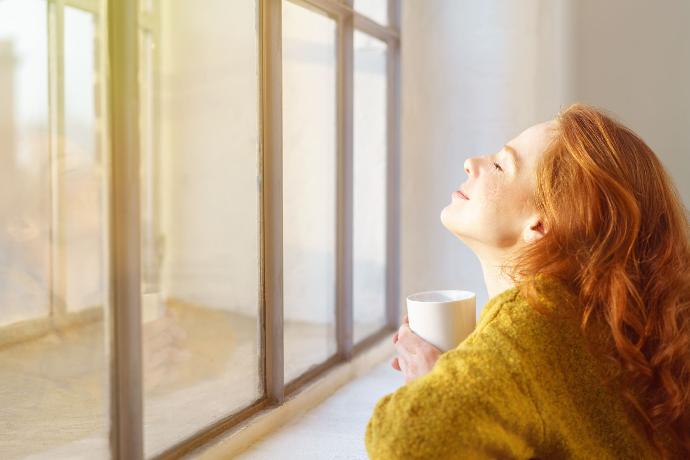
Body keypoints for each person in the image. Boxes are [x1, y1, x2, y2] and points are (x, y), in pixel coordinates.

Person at [365, 103, 690, 459]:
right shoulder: (593, 316)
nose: (472, 163)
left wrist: (430, 387)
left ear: (541, 223)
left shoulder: (536, 321)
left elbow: (405, 441)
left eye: (501, 165)